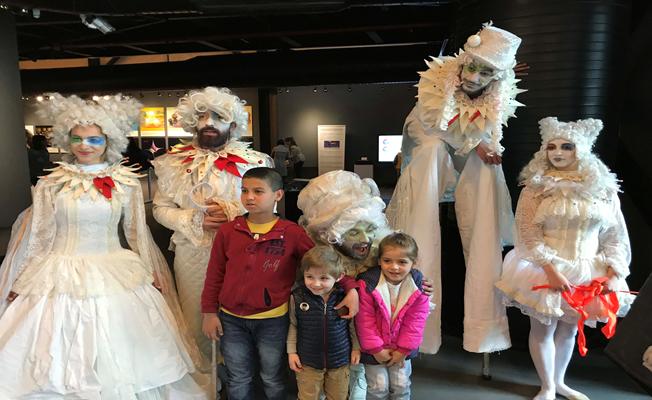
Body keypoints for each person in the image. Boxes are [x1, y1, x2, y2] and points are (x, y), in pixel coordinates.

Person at [0, 93, 206, 399]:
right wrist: (22, 278)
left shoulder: (126, 182)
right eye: (77, 138)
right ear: (65, 139)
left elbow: (136, 233)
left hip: (114, 269)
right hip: (58, 270)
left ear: (108, 141)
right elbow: (40, 235)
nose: (85, 146)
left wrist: (151, 272)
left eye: (94, 140)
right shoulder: (49, 183)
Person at [386, 22, 524, 354]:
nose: (473, 77)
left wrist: (486, 148)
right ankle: (419, 328)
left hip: (465, 162)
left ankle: (484, 328)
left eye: (485, 72)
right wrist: (474, 144)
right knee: (433, 152)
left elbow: (490, 134)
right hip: (428, 152)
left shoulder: (498, 97)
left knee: (487, 172)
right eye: (471, 67)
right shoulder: (437, 82)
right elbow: (431, 124)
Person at [495, 117, 634, 400]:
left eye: (566, 147)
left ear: (580, 149)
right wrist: (550, 271)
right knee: (543, 330)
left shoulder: (604, 189)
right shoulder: (535, 188)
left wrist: (613, 272)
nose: (557, 153)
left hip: (587, 268)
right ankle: (546, 386)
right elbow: (528, 233)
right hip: (545, 268)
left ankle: (559, 382)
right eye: (551, 147)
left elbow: (615, 235)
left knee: (569, 330)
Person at [200, 167, 359, 400]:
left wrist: (351, 288)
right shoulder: (228, 231)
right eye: (244, 191)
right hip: (231, 319)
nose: (249, 197)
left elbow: (323, 264)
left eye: (258, 191)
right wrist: (209, 312)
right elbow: (215, 273)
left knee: (272, 376)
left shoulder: (292, 233)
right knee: (238, 376)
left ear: (278, 195)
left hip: (272, 320)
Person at [152, 87, 273, 375]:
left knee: (241, 315)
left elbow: (271, 210)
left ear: (232, 124)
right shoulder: (171, 163)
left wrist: (233, 213)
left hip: (243, 254)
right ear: (192, 121)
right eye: (202, 116)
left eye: (217, 116)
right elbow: (159, 209)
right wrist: (194, 219)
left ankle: (240, 378)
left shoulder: (256, 162)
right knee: (196, 317)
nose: (208, 123)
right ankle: (206, 379)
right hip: (192, 254)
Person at [297, 170, 435, 399]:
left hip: (374, 340)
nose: (363, 238)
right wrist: (350, 287)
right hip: (330, 340)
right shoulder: (319, 258)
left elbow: (399, 275)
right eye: (352, 231)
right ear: (332, 234)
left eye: (369, 228)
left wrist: (417, 280)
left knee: (374, 384)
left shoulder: (380, 250)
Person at [356, 232, 430, 400]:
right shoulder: (368, 283)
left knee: (401, 386)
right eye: (387, 261)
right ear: (379, 260)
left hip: (401, 349)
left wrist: (403, 349)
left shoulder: (418, 285)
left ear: (413, 263)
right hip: (375, 349)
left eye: (402, 262)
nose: (394, 267)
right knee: (377, 387)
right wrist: (376, 349)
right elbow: (364, 319)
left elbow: (416, 320)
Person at [287, 245, 361, 400]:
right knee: (308, 396)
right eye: (310, 277)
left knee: (338, 396)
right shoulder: (298, 297)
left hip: (340, 361)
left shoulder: (344, 297)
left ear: (339, 276)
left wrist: (356, 348)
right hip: (307, 362)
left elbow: (352, 325)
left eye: (324, 278)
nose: (316, 283)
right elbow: (293, 325)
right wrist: (291, 352)